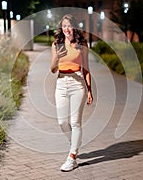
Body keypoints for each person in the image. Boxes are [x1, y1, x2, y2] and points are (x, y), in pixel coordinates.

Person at [50, 14, 93, 172]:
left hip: (77, 83)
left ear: (74, 27)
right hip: (61, 83)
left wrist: (90, 90)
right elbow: (53, 69)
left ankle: (72, 156)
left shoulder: (82, 44)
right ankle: (74, 142)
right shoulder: (57, 44)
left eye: (69, 25)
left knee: (75, 122)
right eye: (64, 26)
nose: (66, 29)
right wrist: (57, 58)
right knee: (62, 122)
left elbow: (86, 68)